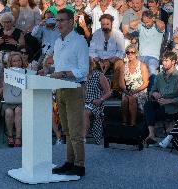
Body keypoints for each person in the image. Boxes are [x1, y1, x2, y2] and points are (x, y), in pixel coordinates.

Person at [46, 8, 89, 176]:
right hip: (61, 88)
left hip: (75, 89)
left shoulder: (80, 41)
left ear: (71, 22)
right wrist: (49, 69)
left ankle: (80, 165)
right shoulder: (58, 42)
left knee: (75, 130)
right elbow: (60, 66)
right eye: (57, 21)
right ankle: (69, 161)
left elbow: (83, 70)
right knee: (66, 130)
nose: (58, 23)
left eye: (62, 20)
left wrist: (62, 73)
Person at [143, 51, 178, 145]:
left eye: (166, 60)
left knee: (150, 114)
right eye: (163, 60)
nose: (164, 63)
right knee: (148, 105)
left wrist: (170, 101)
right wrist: (154, 94)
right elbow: (152, 91)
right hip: (160, 105)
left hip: (174, 109)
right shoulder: (159, 75)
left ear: (173, 62)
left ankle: (148, 135)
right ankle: (151, 134)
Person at [129, 10, 165, 91]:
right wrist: (142, 20)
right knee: (132, 67)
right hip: (141, 57)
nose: (146, 24)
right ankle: (132, 89)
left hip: (153, 57)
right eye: (144, 22)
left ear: (152, 19)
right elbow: (131, 25)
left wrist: (154, 19)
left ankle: (151, 91)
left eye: (148, 22)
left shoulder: (158, 28)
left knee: (152, 68)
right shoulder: (142, 26)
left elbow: (162, 26)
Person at [89, 14, 125, 91]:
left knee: (120, 64)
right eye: (103, 24)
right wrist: (98, 60)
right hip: (99, 59)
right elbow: (91, 50)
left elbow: (121, 52)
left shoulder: (118, 34)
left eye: (107, 24)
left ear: (112, 23)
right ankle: (90, 87)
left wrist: (109, 61)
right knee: (88, 61)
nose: (105, 26)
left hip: (113, 59)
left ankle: (115, 89)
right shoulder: (96, 34)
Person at [0, 52, 27, 147]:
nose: (17, 63)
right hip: (8, 100)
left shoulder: (26, 72)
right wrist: (2, 88)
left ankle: (18, 137)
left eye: (19, 60)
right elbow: (0, 91)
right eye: (14, 61)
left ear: (22, 61)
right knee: (9, 113)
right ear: (11, 62)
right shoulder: (5, 73)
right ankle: (10, 136)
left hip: (22, 100)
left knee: (19, 111)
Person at [119, 44, 149, 126]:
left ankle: (133, 122)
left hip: (140, 90)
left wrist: (135, 91)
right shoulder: (123, 67)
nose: (130, 54)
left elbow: (146, 83)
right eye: (128, 53)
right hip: (127, 90)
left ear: (136, 53)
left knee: (132, 98)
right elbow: (121, 83)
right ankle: (124, 122)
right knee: (124, 99)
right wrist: (126, 91)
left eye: (132, 52)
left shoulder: (142, 66)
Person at [84, 58, 111, 145]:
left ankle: (82, 138)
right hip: (80, 102)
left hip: (94, 103)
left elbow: (108, 92)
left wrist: (101, 99)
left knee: (85, 113)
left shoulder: (99, 75)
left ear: (91, 65)